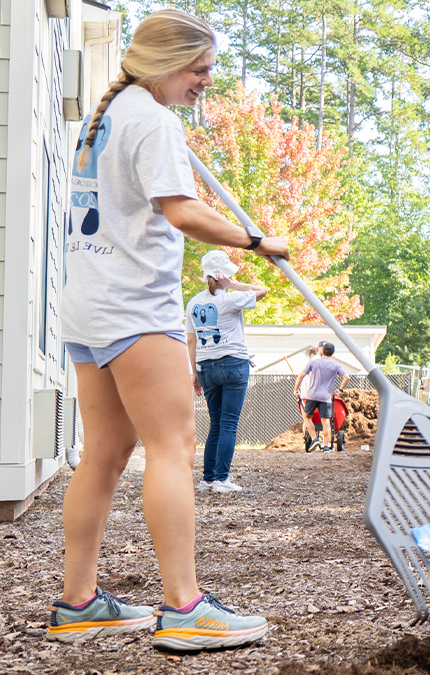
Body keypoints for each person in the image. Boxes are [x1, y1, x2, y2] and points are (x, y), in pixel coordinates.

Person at [50, 9, 288, 650]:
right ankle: (185, 607)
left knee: (104, 453)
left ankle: (79, 600)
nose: (207, 81)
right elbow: (180, 211)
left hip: (88, 307)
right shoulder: (152, 120)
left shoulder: (112, 114)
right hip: (134, 309)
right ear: (165, 63)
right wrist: (257, 240)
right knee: (174, 445)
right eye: (200, 68)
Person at [186, 249, 268, 493]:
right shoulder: (231, 298)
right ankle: (222, 479)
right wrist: (232, 284)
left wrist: (195, 373)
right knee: (229, 423)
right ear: (223, 275)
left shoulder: (193, 303)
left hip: (206, 366)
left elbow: (191, 341)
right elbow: (262, 290)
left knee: (216, 424)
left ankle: (208, 479)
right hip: (233, 363)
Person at [293, 340, 349, 453]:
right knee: (326, 421)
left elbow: (301, 376)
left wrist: (296, 389)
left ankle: (314, 439)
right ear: (333, 353)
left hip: (312, 396)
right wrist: (340, 389)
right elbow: (347, 377)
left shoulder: (314, 362)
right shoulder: (336, 365)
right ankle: (327, 446)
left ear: (322, 350)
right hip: (326, 397)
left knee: (307, 417)